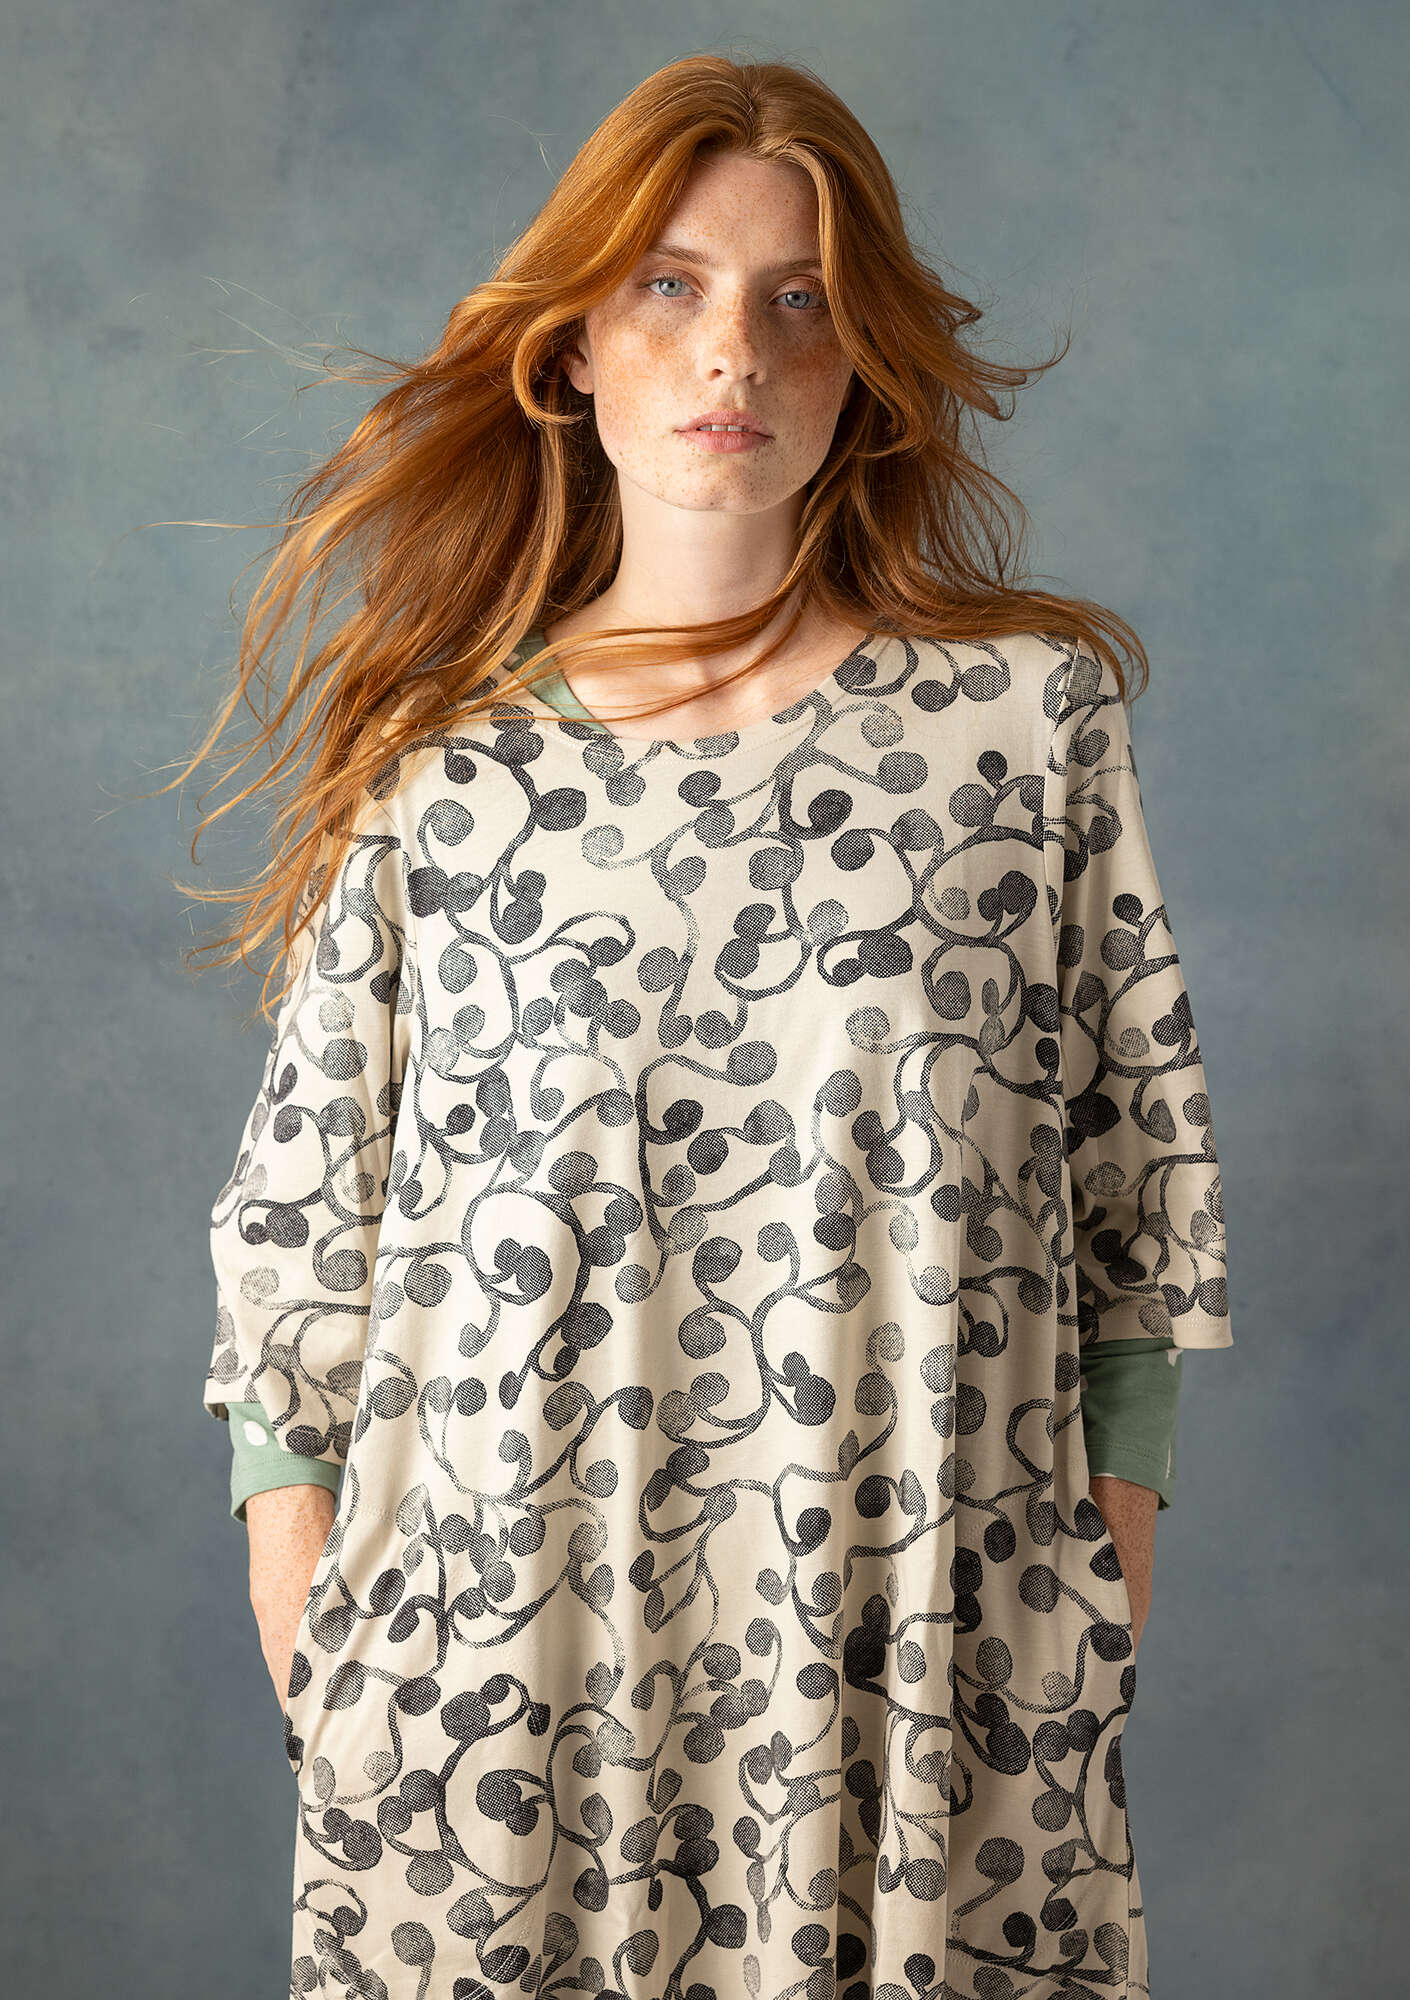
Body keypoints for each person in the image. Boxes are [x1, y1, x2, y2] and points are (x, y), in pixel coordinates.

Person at [177, 52, 1232, 2000]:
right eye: (667, 284)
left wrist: (1101, 1562)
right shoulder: (441, 765)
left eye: (798, 296)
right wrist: (297, 1576)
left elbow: (1134, 1177)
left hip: (930, 1666)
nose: (732, 347)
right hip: (490, 1675)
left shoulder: (1024, 727)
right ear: (572, 345)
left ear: (866, 360)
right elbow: (305, 1209)